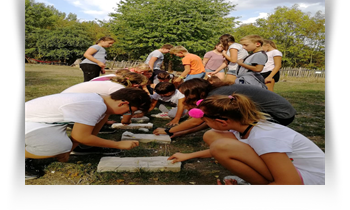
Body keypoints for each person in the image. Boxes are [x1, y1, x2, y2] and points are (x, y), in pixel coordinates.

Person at [168, 94, 325, 185]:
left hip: (311, 180)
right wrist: (188, 155)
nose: (205, 124)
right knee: (213, 138)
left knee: (220, 146)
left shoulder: (265, 137)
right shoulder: (245, 127)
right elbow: (235, 149)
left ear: (222, 122)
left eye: (205, 121)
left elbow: (291, 183)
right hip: (297, 172)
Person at [25, 88, 151, 180]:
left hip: (44, 122)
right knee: (58, 146)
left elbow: (89, 134)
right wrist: (118, 145)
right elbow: (82, 137)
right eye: (130, 112)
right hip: (30, 121)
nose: (128, 115)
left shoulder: (103, 103)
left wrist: (68, 152)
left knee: (63, 147)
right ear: (123, 103)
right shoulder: (95, 105)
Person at [153, 78, 296, 137]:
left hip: (279, 116)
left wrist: (168, 131)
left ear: (197, 93)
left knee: (231, 132)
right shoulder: (216, 92)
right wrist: (179, 133)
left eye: (186, 94)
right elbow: (207, 121)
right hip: (283, 113)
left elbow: (198, 121)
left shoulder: (215, 97)